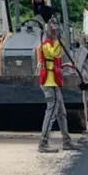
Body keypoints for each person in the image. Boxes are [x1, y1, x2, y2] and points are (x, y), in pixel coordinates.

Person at [36, 23, 81, 153]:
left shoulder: (49, 44)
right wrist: (56, 40)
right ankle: (43, 144)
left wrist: (63, 65)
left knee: (62, 113)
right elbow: (56, 54)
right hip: (49, 83)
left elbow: (55, 60)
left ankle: (67, 142)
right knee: (51, 113)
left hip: (53, 82)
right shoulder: (47, 45)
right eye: (56, 32)